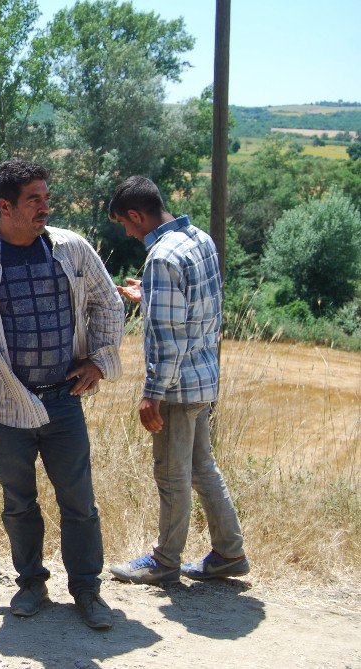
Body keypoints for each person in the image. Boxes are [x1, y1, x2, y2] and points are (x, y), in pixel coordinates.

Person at [0, 158, 124, 630]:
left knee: (79, 503)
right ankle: (30, 584)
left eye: (46, 197)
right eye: (34, 200)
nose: (46, 207)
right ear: (5, 206)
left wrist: (100, 362)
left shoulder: (72, 249)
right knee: (18, 503)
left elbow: (108, 302)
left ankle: (87, 589)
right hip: (5, 407)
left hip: (63, 400)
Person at [106, 176, 249, 584]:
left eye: (126, 224)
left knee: (171, 474)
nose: (129, 233)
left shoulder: (161, 259)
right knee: (202, 467)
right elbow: (196, 307)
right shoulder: (198, 238)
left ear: (137, 215)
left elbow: (168, 339)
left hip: (175, 385)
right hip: (203, 377)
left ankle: (165, 561)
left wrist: (152, 393)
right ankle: (229, 552)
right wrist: (149, 294)